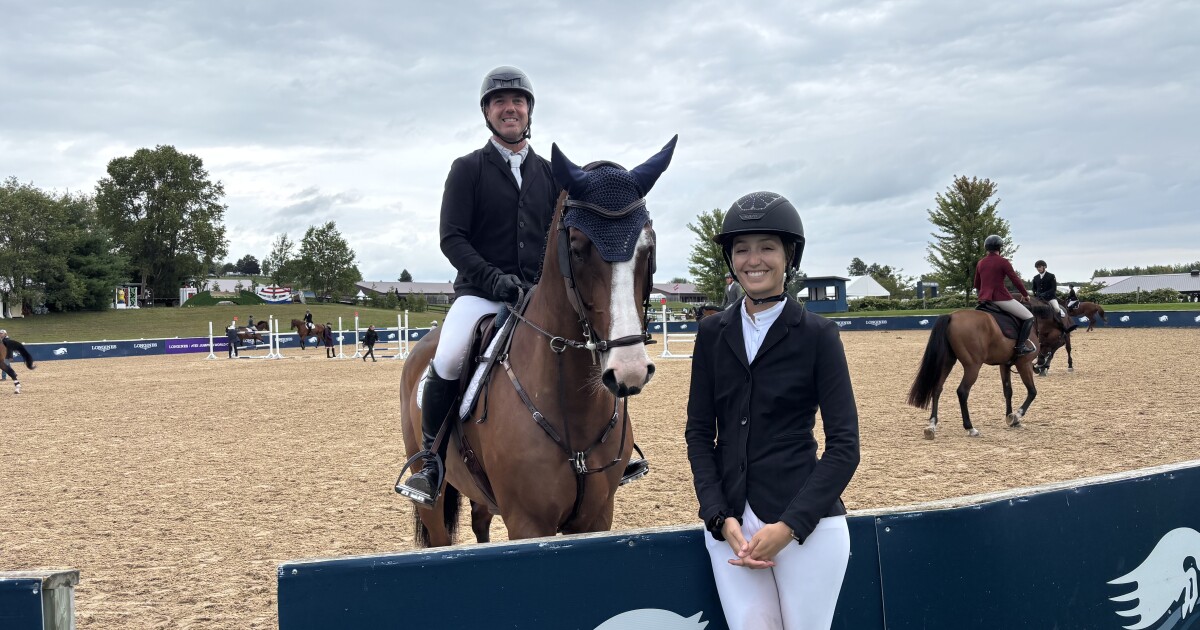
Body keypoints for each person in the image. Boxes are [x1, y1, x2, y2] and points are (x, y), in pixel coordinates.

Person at [685, 192, 860, 630]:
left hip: (805, 526)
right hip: (732, 531)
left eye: (766, 246)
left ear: (788, 256)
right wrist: (718, 516)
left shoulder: (819, 335)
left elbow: (845, 447)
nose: (753, 259)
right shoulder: (711, 333)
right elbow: (699, 433)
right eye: (742, 249)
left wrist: (789, 527)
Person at [397, 65, 565, 507]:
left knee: (587, 348)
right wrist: (493, 278)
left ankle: (609, 451)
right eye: (499, 102)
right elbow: (452, 238)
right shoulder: (467, 169)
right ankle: (431, 462)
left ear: (529, 110)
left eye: (518, 101)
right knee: (449, 356)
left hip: (537, 295)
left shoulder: (550, 174)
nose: (509, 108)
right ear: (487, 113)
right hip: (480, 293)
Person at [974, 235, 1036, 356]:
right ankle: (1020, 346)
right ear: (1000, 248)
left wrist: (982, 295)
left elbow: (977, 284)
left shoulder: (980, 263)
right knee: (1028, 317)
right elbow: (1015, 279)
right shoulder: (1003, 261)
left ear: (986, 248)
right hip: (1000, 298)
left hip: (984, 300)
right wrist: (1025, 294)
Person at [1032, 260, 1076, 333]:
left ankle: (1063, 327)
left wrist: (1045, 294)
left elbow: (1053, 289)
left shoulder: (1051, 276)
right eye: (1037, 267)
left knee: (1056, 309)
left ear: (1044, 267)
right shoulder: (1035, 278)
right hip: (1039, 298)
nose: (1038, 269)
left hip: (1050, 298)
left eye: (1039, 267)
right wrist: (1035, 293)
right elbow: (1034, 288)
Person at [1, 329, 35, 394]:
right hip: (3, 356)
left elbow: (9, 349)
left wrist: (10, 357)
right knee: (7, 367)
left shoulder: (6, 340)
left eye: (1, 333)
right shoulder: (2, 340)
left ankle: (11, 376)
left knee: (6, 367)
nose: (0, 334)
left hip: (6, 357)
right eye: (0, 333)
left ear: (5, 334)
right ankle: (13, 375)